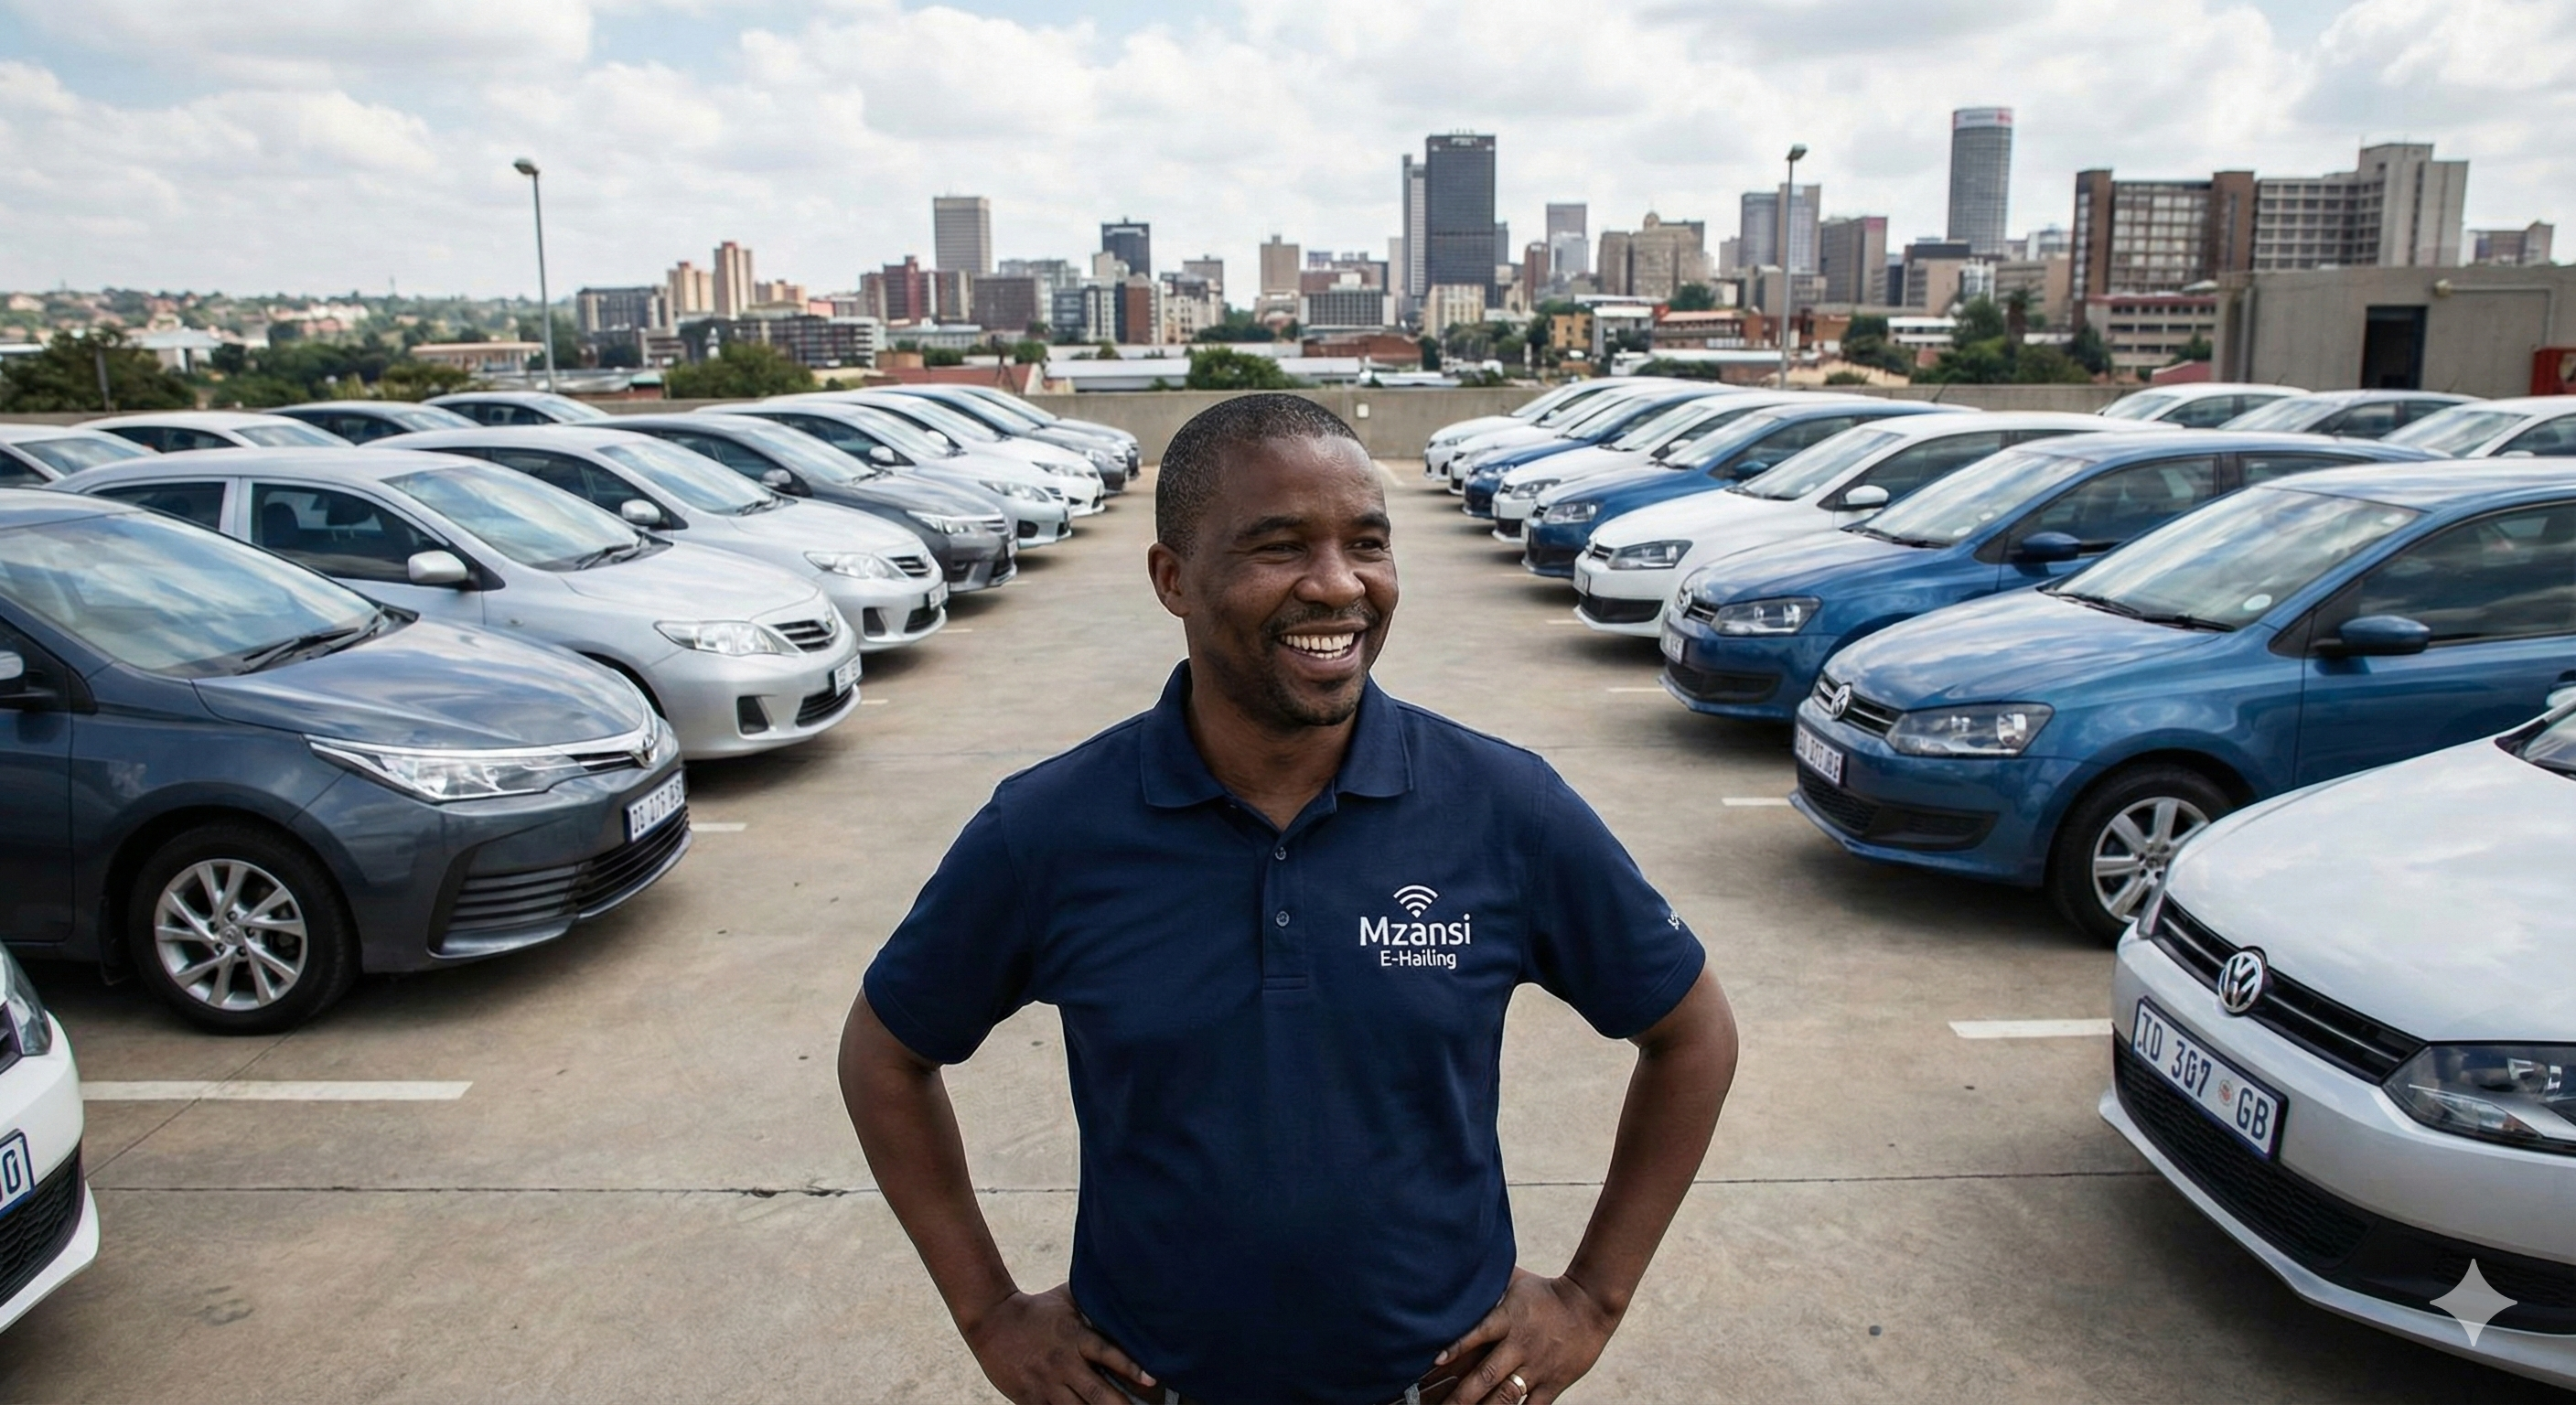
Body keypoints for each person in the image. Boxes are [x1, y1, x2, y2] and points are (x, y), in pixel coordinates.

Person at [841, 394, 1737, 1405]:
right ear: (1172, 580)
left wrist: (1590, 1300)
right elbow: (887, 1051)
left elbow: (1690, 1031)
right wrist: (989, 1313)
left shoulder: (1504, 807)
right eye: (1278, 546)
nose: (1337, 584)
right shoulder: (1048, 829)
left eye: (1367, 543)